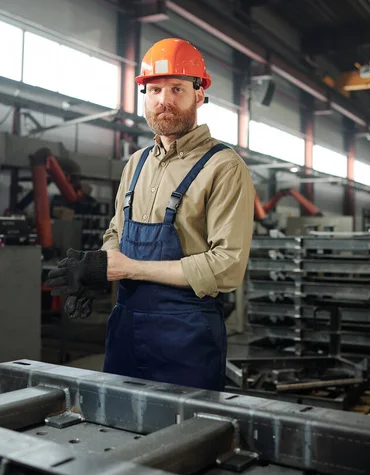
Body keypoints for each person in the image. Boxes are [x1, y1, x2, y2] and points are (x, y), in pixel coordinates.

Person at [46, 38, 255, 391]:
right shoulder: (136, 163)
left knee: (186, 439)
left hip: (187, 338)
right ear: (144, 95)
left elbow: (227, 266)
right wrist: (99, 268)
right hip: (126, 327)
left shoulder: (224, 166)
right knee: (116, 428)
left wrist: (131, 268)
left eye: (176, 88)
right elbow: (117, 231)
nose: (164, 100)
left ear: (199, 94)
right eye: (154, 90)